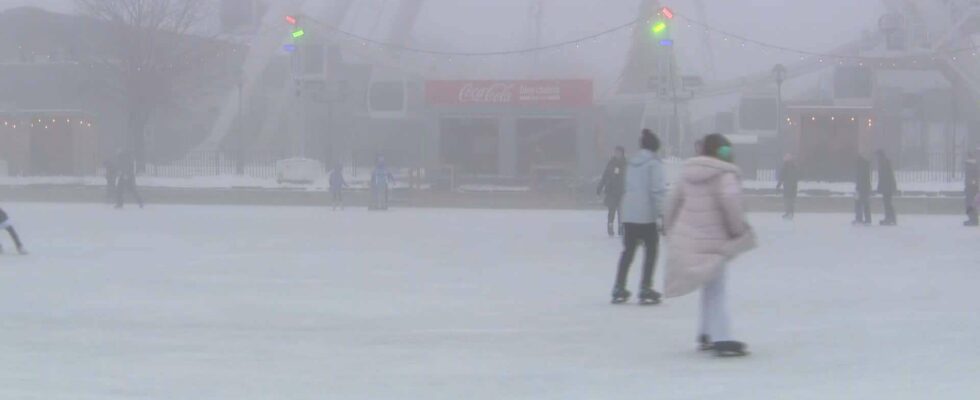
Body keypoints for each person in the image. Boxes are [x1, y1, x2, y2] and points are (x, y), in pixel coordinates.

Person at [664, 133, 756, 357]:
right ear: (724, 152)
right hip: (715, 241)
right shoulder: (725, 175)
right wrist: (739, 232)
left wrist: (669, 229)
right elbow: (731, 205)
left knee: (708, 286)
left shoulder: (687, 173)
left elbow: (671, 203)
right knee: (716, 289)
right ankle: (721, 337)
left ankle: (705, 333)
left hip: (690, 239)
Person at [612, 130, 667, 305]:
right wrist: (663, 213)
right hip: (646, 216)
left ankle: (619, 286)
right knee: (651, 250)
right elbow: (657, 190)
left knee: (628, 251)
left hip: (629, 213)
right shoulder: (653, 164)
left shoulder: (632, 163)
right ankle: (645, 286)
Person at [597, 146, 627, 237]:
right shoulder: (611, 163)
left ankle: (621, 227)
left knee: (622, 211)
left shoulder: (626, 164)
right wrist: (600, 187)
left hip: (623, 191)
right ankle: (610, 226)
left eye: (619, 152)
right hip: (611, 191)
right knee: (612, 210)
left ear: (622, 153)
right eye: (616, 152)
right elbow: (605, 176)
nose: (617, 154)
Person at [876, 150, 898, 226]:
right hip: (887, 187)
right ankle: (890, 218)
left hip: (887, 187)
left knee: (887, 203)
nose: (877, 158)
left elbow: (885, 177)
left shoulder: (884, 163)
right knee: (887, 203)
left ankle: (890, 218)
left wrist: (882, 187)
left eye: (877, 156)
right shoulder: (884, 163)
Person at [776, 154, 799, 220]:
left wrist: (778, 185)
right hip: (794, 186)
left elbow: (782, 176)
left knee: (787, 200)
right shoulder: (794, 166)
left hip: (787, 186)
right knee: (791, 200)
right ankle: (790, 213)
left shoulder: (785, 166)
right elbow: (798, 175)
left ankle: (788, 213)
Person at [853, 154, 872, 225]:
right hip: (864, 188)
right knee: (864, 203)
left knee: (859, 203)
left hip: (862, 188)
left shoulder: (861, 167)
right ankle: (866, 219)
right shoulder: (864, 166)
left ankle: (860, 218)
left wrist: (858, 187)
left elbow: (861, 179)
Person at [964, 151, 978, 227]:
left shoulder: (971, 166)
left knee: (970, 203)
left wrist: (972, 184)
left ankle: (973, 220)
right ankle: (972, 219)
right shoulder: (971, 165)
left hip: (971, 188)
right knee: (970, 203)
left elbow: (973, 178)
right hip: (970, 187)